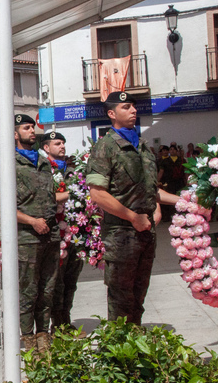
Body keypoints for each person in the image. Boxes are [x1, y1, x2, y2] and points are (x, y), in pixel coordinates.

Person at [86, 92, 178, 325]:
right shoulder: (105, 147)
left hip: (145, 233)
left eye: (134, 107)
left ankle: (135, 343)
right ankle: (119, 351)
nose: (133, 111)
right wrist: (133, 217)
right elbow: (97, 194)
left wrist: (183, 201)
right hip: (121, 234)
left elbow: (151, 190)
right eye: (126, 107)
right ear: (111, 113)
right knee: (121, 297)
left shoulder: (143, 148)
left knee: (139, 293)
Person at [11, 115, 59, 352]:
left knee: (48, 287)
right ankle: (28, 336)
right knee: (28, 288)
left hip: (50, 234)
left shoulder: (44, 161)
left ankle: (43, 333)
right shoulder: (10, 164)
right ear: (15, 134)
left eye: (32, 127)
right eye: (26, 127)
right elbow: (4, 204)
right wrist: (32, 221)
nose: (32, 130)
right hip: (26, 236)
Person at [43, 131, 83, 333]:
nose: (62, 146)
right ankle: (57, 325)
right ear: (46, 148)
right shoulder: (43, 170)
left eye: (63, 143)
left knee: (71, 280)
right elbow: (47, 197)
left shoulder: (74, 170)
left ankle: (65, 320)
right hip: (55, 234)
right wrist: (71, 194)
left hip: (75, 231)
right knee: (56, 282)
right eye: (57, 143)